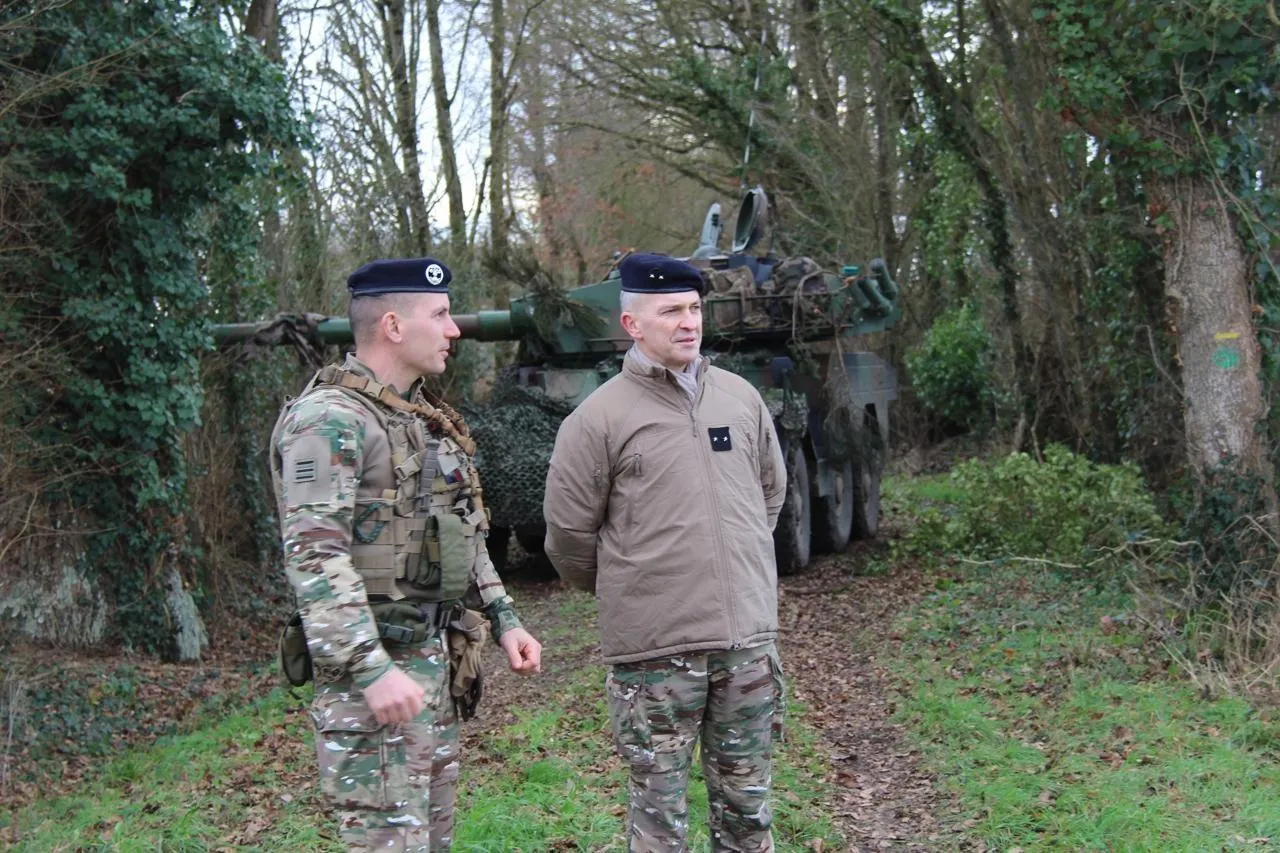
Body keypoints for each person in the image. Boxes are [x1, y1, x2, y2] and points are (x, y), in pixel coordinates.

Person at [270, 257, 542, 852]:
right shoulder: (329, 420)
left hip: (430, 671)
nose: (454, 330)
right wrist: (371, 669)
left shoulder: (419, 418)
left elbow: (460, 529)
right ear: (393, 325)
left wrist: (504, 618)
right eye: (440, 315)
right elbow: (314, 557)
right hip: (372, 689)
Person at [543, 252, 788, 852]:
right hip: (656, 657)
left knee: (748, 809)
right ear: (632, 324)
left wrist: (738, 567)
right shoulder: (597, 420)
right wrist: (639, 586)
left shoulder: (740, 399)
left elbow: (769, 496)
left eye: (695, 309)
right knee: (659, 818)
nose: (689, 322)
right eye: (671, 311)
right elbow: (569, 537)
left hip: (745, 646)